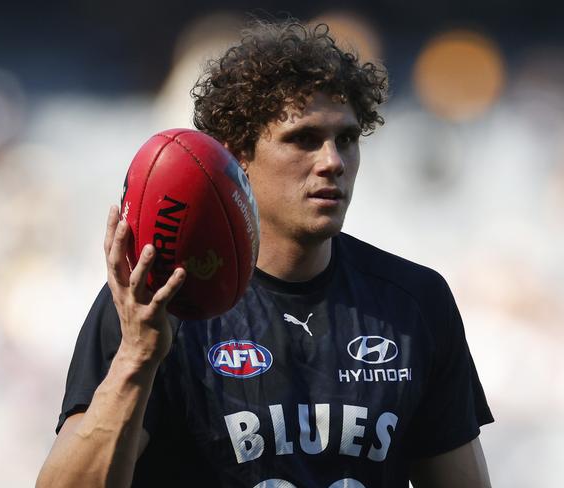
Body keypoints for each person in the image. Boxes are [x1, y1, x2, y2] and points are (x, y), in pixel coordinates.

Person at [37, 19, 493, 488]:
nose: (332, 161)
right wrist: (137, 357)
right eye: (303, 139)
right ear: (236, 157)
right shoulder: (157, 302)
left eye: (347, 139)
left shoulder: (414, 302)